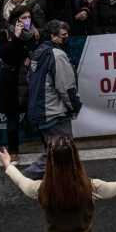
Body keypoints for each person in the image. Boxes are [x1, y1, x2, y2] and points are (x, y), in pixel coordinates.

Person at [25, 20, 80, 180]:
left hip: (43, 110)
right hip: (55, 113)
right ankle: (23, 179)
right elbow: (66, 87)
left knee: (56, 152)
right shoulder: (57, 55)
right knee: (60, 153)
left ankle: (63, 182)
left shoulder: (38, 52)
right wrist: (75, 106)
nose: (67, 38)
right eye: (63, 36)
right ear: (53, 36)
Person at [0, 6, 38, 163]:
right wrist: (15, 36)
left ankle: (49, 148)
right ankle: (13, 151)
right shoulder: (6, 33)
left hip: (28, 80)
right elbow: (2, 53)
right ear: (15, 20)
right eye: (23, 18)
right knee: (13, 120)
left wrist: (32, 58)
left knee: (38, 116)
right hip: (11, 82)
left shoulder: (34, 34)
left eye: (29, 17)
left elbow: (38, 51)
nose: (27, 21)